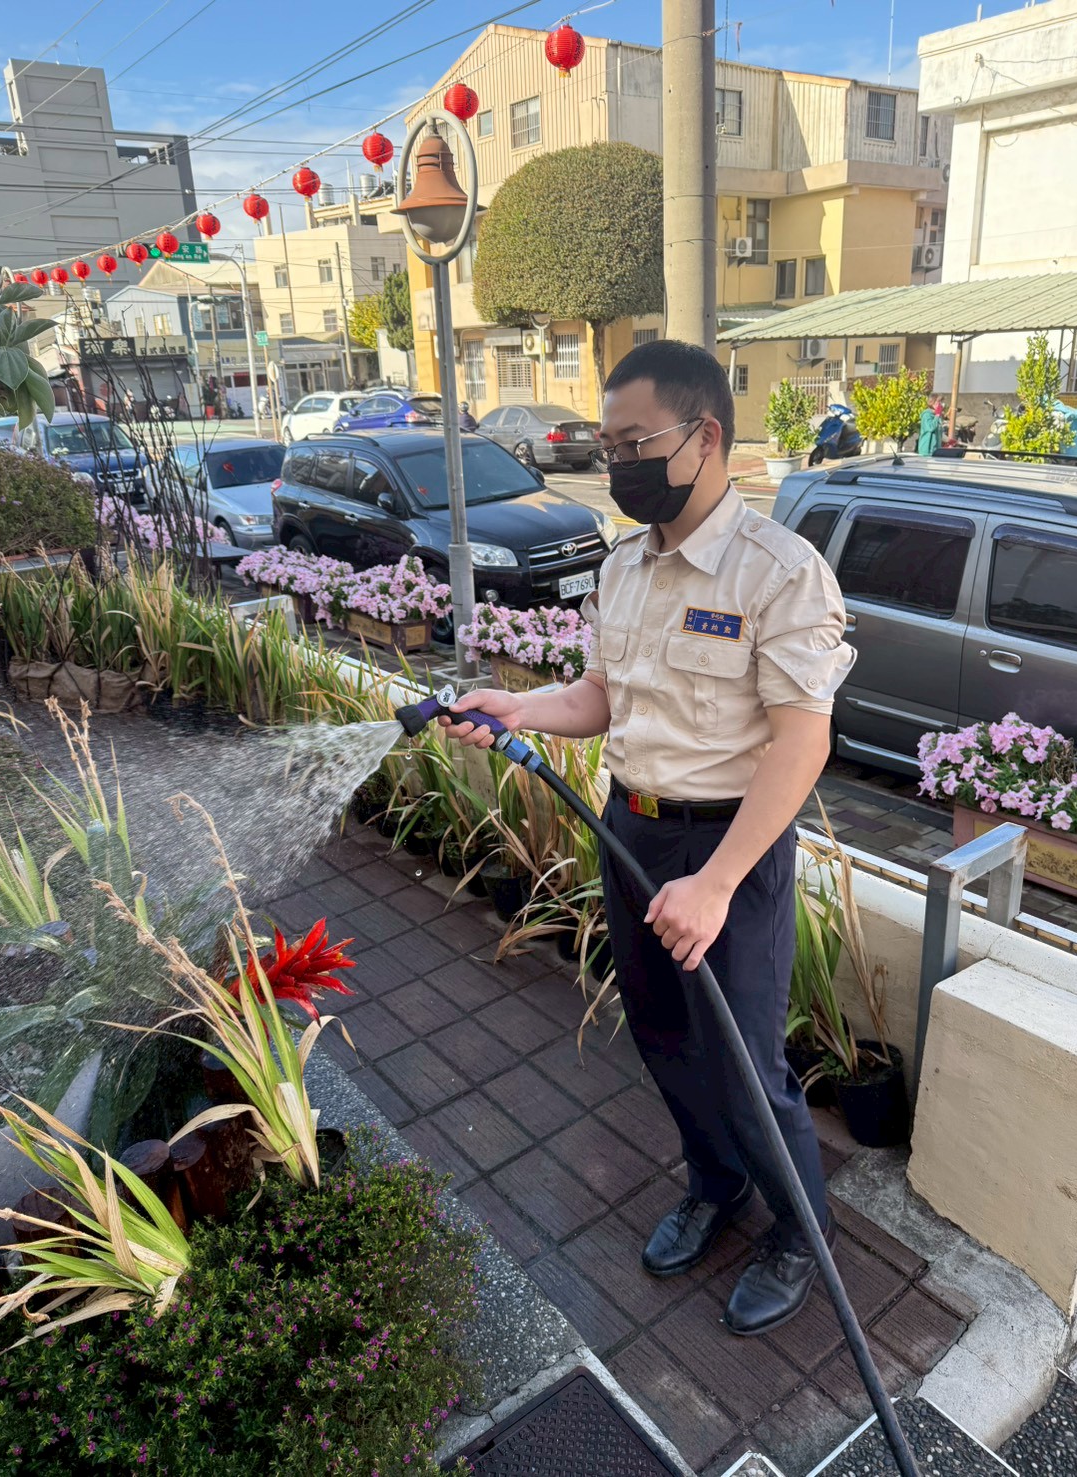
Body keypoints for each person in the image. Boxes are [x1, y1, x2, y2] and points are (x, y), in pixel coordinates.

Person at [441, 339, 855, 1336]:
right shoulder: (624, 566)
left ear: (703, 436)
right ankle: (716, 1188)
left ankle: (799, 1231)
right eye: (607, 441)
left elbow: (802, 741)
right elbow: (601, 695)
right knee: (666, 1037)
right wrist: (520, 706)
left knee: (744, 1062)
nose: (616, 459)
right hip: (630, 829)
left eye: (634, 441)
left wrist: (714, 884)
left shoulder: (778, 573)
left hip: (728, 855)